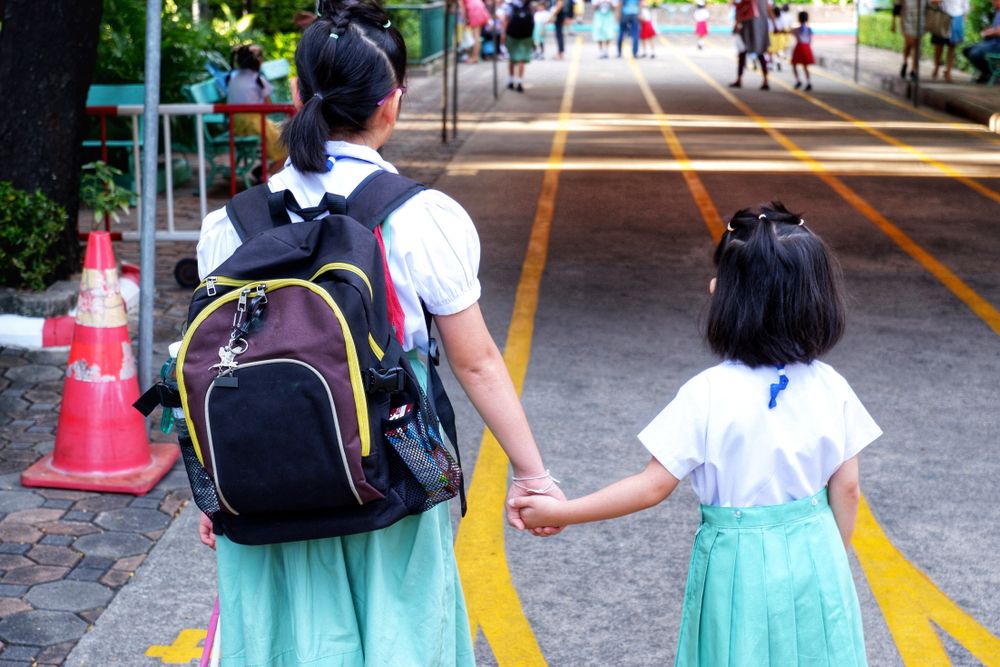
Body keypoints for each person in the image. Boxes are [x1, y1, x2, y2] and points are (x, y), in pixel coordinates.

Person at [196, 2, 564, 663]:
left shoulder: (230, 224)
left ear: (298, 95)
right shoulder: (425, 218)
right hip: (393, 481)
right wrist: (533, 475)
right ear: (391, 105)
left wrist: (210, 483)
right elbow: (477, 362)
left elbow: (214, 361)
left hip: (262, 487)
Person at [511, 203, 880, 666]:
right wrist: (832, 556)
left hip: (738, 567)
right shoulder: (832, 386)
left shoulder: (707, 394)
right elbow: (847, 488)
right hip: (816, 557)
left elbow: (650, 487)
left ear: (722, 296)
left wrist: (563, 511)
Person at [226, 43, 288, 174]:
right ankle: (266, 174)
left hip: (235, 124)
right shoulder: (257, 79)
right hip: (254, 124)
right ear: (258, 61)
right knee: (286, 149)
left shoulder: (232, 77)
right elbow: (269, 107)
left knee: (278, 140)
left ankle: (262, 171)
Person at [730, 0, 772, 89]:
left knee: (744, 53)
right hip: (760, 27)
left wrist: (737, 22)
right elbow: (770, 12)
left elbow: (747, 11)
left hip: (749, 28)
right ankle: (765, 80)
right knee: (759, 54)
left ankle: (740, 79)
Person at [962, 0, 1000, 83]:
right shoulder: (997, 13)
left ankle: (989, 73)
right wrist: (988, 30)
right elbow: (995, 29)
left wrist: (987, 33)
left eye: (994, 1)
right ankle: (986, 73)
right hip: (990, 43)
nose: (993, 3)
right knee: (966, 50)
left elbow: (998, 31)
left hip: (997, 45)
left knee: (975, 53)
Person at [930, 0, 967, 82]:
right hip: (943, 16)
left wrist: (963, 21)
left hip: (957, 18)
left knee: (952, 46)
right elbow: (933, 2)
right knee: (939, 45)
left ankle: (948, 71)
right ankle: (936, 67)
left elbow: (965, 7)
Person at [502, 0, 535, 91]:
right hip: (526, 36)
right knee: (522, 59)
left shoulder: (510, 5)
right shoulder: (529, 5)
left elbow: (506, 19)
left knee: (512, 58)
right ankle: (520, 82)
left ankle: (511, 81)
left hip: (512, 35)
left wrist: (504, 33)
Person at [790, 10, 815, 90]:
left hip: (799, 47)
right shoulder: (809, 29)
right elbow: (810, 40)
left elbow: (788, 32)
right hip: (807, 47)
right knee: (805, 66)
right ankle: (808, 82)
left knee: (794, 64)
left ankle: (798, 80)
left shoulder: (796, 30)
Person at [899, 0, 921, 78]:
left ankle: (914, 68)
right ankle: (905, 62)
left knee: (916, 46)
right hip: (907, 22)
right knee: (909, 44)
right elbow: (898, 6)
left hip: (919, 22)